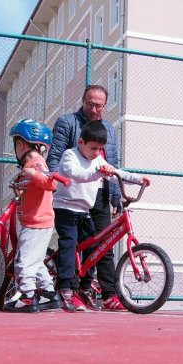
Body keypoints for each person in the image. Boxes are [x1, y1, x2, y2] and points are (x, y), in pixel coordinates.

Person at [52, 121, 149, 312]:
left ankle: (85, 286)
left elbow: (115, 173)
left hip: (83, 211)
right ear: (81, 142)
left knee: (94, 246)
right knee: (69, 243)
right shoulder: (70, 155)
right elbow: (76, 174)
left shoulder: (97, 160)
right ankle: (65, 287)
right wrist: (97, 173)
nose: (97, 152)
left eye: (100, 149)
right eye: (93, 148)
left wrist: (138, 179)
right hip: (65, 208)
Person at [47, 85, 125, 311]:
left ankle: (108, 294)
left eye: (99, 105)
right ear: (83, 100)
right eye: (90, 103)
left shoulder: (108, 129)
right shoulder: (67, 122)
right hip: (73, 193)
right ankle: (69, 289)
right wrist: (54, 182)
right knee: (73, 243)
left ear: (105, 105)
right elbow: (55, 155)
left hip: (98, 194)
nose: (93, 109)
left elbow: (112, 163)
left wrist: (116, 194)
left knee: (103, 244)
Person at [2, 119, 64, 313]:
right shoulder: (33, 163)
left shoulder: (36, 163)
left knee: (24, 261)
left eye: (16, 146)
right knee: (35, 261)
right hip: (37, 221)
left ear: (20, 145)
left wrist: (31, 174)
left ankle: (28, 297)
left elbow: (50, 184)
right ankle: (50, 294)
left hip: (36, 222)